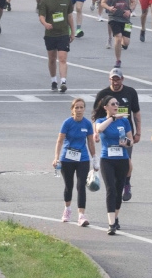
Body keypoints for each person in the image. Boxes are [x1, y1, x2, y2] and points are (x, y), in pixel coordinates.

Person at [96, 69, 142, 202]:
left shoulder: (130, 92)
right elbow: (96, 115)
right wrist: (95, 133)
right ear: (109, 79)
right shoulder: (103, 94)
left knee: (126, 161)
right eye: (113, 79)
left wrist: (138, 132)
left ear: (123, 79)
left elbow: (136, 113)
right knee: (111, 160)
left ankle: (126, 184)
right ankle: (115, 187)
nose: (115, 82)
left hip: (125, 133)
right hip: (108, 133)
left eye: (118, 79)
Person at [52, 97, 95, 227]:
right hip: (67, 158)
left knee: (81, 185)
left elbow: (90, 142)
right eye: (77, 107)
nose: (79, 110)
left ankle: (81, 215)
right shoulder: (67, 123)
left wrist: (95, 158)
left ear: (84, 109)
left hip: (82, 159)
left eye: (82, 107)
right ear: (72, 110)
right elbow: (60, 141)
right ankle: (67, 209)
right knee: (68, 185)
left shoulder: (87, 124)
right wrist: (56, 157)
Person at [95, 96, 132, 235]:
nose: (116, 105)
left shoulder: (125, 121)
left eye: (117, 103)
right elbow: (99, 129)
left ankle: (116, 218)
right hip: (107, 159)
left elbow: (131, 141)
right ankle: (111, 223)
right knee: (110, 189)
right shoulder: (101, 121)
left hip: (122, 159)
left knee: (118, 190)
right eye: (113, 104)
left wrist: (126, 143)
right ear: (106, 107)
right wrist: (113, 118)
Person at [37, 0, 74, 93]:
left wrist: (72, 32)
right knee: (52, 59)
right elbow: (41, 16)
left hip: (63, 34)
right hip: (50, 35)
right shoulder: (46, 1)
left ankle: (63, 81)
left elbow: (69, 17)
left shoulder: (67, 0)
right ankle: (54, 80)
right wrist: (45, 23)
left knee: (62, 58)